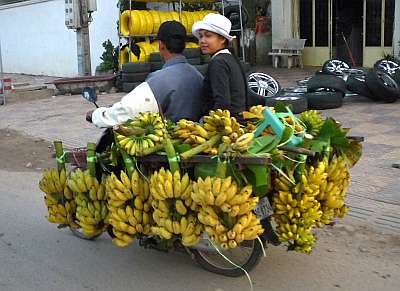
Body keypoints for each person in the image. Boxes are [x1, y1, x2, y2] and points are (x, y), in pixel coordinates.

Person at [87, 21, 204, 128]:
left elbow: (128, 110)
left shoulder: (159, 80)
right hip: (196, 139)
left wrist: (97, 115)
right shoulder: (198, 76)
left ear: (161, 45)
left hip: (169, 143)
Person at [192, 13, 249, 120]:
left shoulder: (218, 63)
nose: (202, 41)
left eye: (208, 36)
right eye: (200, 36)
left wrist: (208, 123)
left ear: (222, 39)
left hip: (227, 123)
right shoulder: (230, 58)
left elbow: (223, 102)